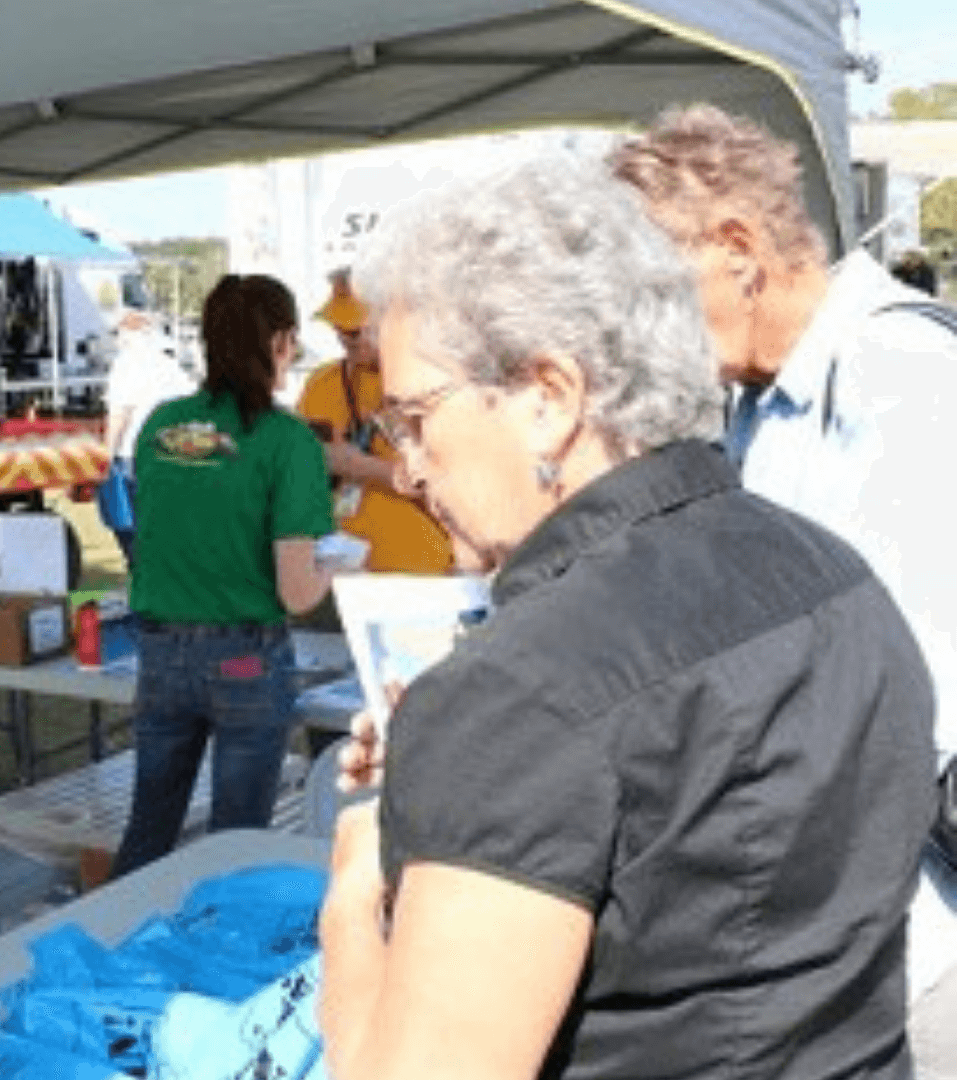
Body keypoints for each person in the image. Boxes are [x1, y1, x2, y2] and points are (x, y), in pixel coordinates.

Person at [316, 154, 934, 1079]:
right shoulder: (831, 573)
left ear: (548, 397)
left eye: (416, 418)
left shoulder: (515, 694)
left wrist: (354, 885)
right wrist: (447, 783)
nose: (407, 467)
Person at [610, 103, 957, 1078]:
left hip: (916, 955)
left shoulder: (901, 378)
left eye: (652, 297)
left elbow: (911, 715)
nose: (642, 334)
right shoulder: (760, 404)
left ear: (736, 250)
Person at [109, 273, 334, 879]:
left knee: (148, 831)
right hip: (245, 659)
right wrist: (336, 565)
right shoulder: (288, 441)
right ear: (280, 341)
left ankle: (119, 932)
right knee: (236, 846)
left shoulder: (161, 426)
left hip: (160, 652)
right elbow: (297, 592)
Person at [295, 269, 453, 574]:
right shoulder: (321, 383)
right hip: (335, 563)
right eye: (337, 326)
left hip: (417, 568)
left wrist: (360, 467)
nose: (343, 336)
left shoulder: (427, 385)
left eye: (354, 329)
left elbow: (447, 485)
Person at [100, 309, 195, 566]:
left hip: (135, 454)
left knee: (130, 525)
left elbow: (120, 415)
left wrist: (105, 457)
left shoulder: (125, 364)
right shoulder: (169, 365)